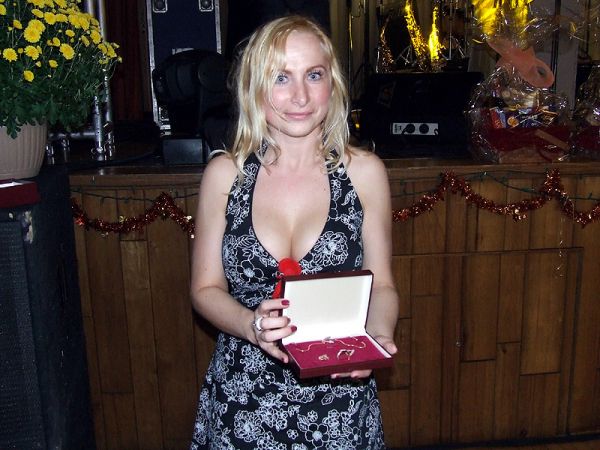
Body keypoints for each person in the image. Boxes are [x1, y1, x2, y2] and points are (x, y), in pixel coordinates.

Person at [189, 15, 399, 449]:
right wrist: (250, 325)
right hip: (243, 402)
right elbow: (205, 290)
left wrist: (376, 337)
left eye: (314, 75)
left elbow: (382, 286)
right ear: (254, 87)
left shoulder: (365, 174)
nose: (300, 96)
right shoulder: (225, 175)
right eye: (281, 77)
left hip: (340, 403)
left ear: (332, 85)